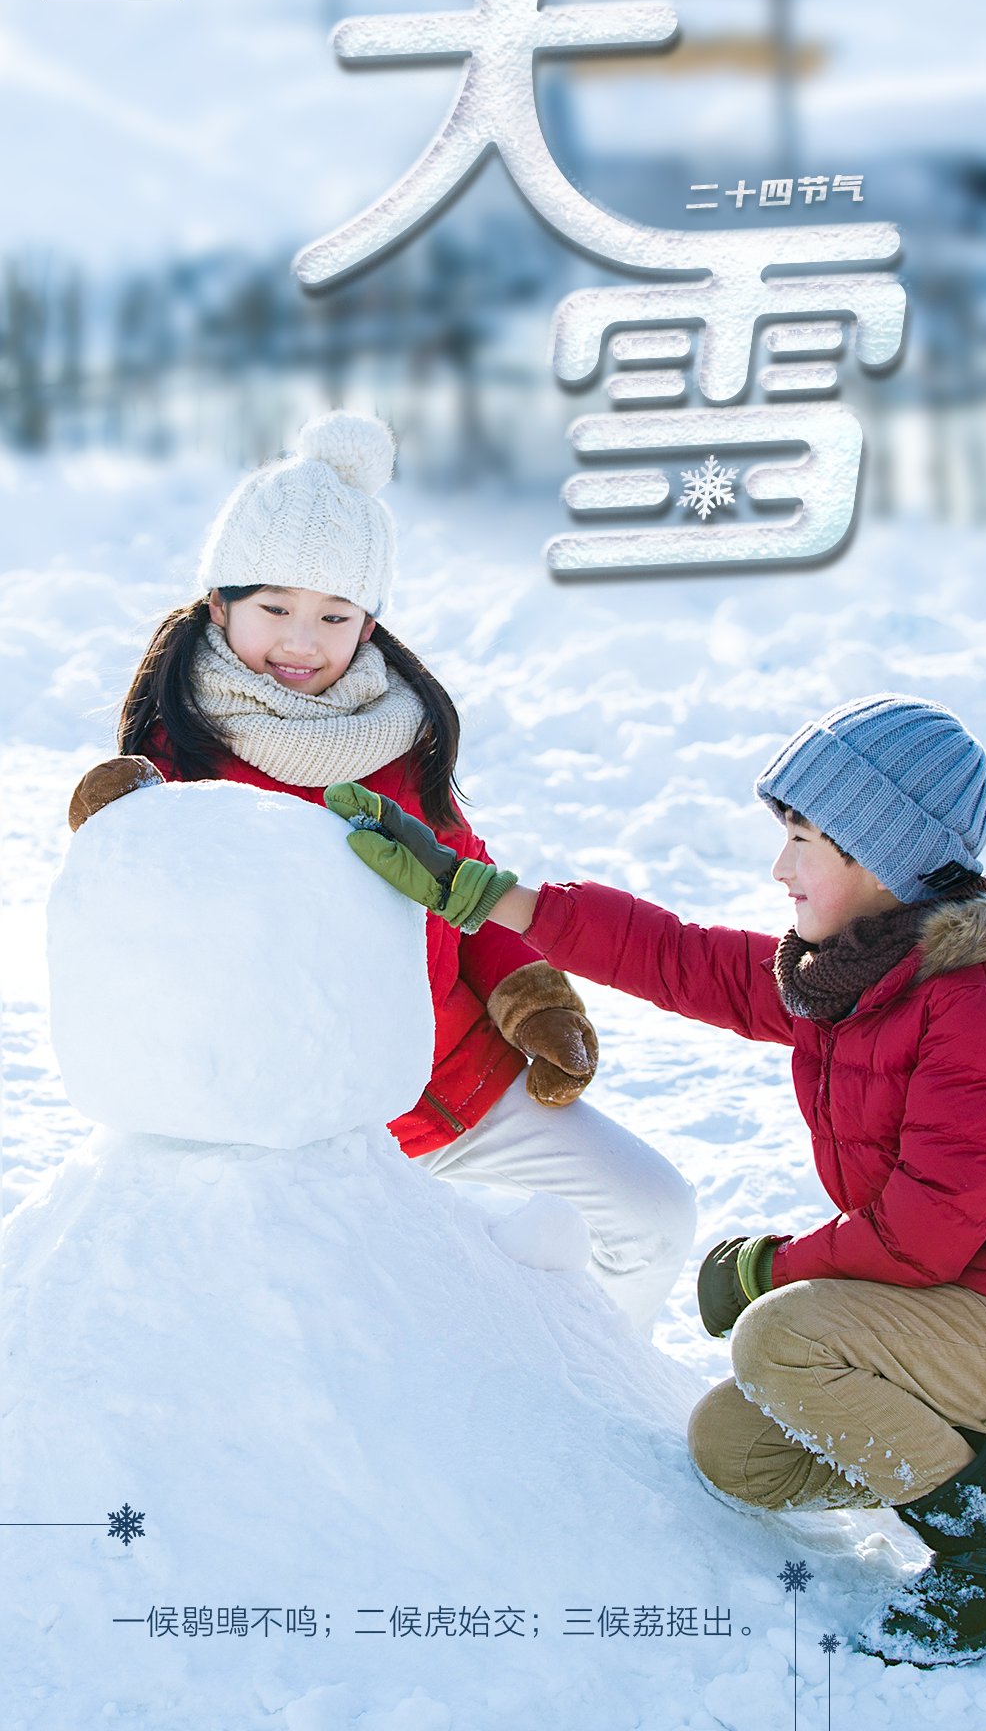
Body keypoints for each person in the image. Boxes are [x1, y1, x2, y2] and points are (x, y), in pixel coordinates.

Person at [322, 693, 986, 1667]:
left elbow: (920, 1236)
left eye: (804, 839)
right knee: (741, 1451)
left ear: (880, 853)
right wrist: (482, 895)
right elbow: (680, 958)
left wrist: (767, 1269)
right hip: (966, 1312)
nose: (780, 867)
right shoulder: (856, 971)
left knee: (784, 1339)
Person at [79, 410, 695, 1333]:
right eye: (275, 608)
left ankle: (594, 1388)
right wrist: (112, 829)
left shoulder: (397, 741)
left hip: (459, 1085)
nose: (303, 640)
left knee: (651, 1213)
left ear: (369, 623)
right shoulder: (178, 762)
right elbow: (135, 932)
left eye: (335, 615)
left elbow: (469, 891)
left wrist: (534, 996)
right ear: (220, 605)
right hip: (291, 1134)